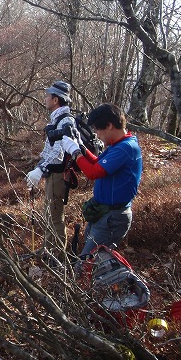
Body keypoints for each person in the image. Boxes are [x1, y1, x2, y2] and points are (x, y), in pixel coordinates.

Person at [60, 103, 142, 258]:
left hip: (112, 217)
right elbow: (97, 163)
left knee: (87, 264)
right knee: (94, 261)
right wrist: (81, 147)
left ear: (109, 125)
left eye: (98, 129)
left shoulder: (125, 148)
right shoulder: (118, 145)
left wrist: (75, 152)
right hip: (104, 213)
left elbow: (94, 172)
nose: (97, 134)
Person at [26, 80, 75, 259]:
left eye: (47, 96)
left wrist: (40, 171)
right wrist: (39, 168)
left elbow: (58, 154)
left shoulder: (65, 121)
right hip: (53, 175)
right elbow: (48, 151)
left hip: (58, 175)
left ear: (55, 100)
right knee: (49, 213)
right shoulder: (57, 119)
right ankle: (48, 250)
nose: (45, 99)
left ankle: (57, 258)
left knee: (55, 216)